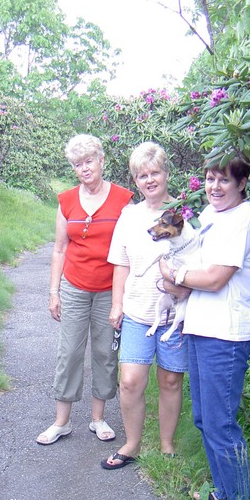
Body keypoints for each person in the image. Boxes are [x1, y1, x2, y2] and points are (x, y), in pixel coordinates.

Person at [159, 153, 250, 500]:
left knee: (221, 422)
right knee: (205, 418)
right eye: (209, 179)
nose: (215, 187)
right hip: (201, 327)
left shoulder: (243, 218)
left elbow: (216, 277)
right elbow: (185, 265)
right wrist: (175, 276)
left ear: (241, 183)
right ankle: (224, 491)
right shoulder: (210, 216)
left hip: (227, 334)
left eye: (224, 180)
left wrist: (175, 276)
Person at [36, 134, 133, 446]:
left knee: (105, 354)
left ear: (101, 160)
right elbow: (59, 249)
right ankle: (61, 422)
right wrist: (54, 292)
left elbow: (132, 248)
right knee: (70, 353)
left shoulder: (123, 199)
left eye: (89, 161)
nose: (84, 168)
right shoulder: (66, 200)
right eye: (78, 164)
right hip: (75, 287)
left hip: (110, 290)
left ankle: (98, 418)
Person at [101, 141, 187, 470]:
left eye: (154, 173)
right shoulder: (130, 216)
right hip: (138, 312)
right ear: (135, 181)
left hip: (175, 315)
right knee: (130, 381)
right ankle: (132, 444)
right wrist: (116, 303)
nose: (149, 180)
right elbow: (120, 262)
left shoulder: (182, 213)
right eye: (141, 175)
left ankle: (167, 446)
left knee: (170, 381)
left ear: (166, 173)